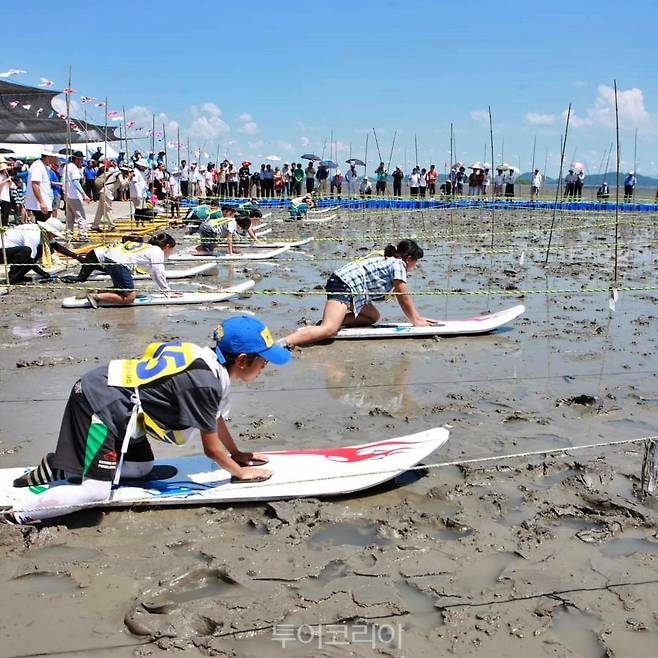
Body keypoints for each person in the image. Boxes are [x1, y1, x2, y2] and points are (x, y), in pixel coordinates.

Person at [2, 315, 291, 524]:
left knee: (142, 469)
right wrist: (240, 474)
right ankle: (18, 514)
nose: (265, 366)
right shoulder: (205, 382)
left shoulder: (211, 365)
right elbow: (211, 448)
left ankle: (61, 466)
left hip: (125, 409)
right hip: (99, 403)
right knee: (95, 492)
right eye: (263, 360)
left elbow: (215, 419)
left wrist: (238, 454)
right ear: (242, 360)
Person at [283, 239, 437, 348]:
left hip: (353, 290)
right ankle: (282, 343)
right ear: (409, 259)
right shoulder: (398, 264)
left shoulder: (391, 261)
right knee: (329, 330)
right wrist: (416, 320)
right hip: (344, 284)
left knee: (372, 316)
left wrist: (417, 318)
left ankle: (328, 322)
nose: (415, 266)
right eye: (416, 261)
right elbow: (403, 296)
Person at [85, 232, 178, 308]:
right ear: (167, 246)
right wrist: (168, 292)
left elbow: (153, 273)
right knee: (130, 298)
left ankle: (97, 292)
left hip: (109, 258)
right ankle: (96, 296)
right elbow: (158, 272)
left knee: (124, 290)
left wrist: (165, 290)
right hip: (118, 262)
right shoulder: (157, 251)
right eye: (172, 249)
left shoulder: (147, 247)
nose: (171, 252)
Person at [0, 218, 82, 284]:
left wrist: (77, 257)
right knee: (27, 251)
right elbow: (30, 260)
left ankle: (17, 275)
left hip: (12, 252)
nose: (54, 237)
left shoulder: (43, 233)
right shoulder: (34, 234)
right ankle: (13, 278)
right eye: (54, 235)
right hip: (2, 252)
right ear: (48, 230)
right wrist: (44, 274)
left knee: (43, 250)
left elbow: (57, 247)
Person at [193, 211, 258, 256]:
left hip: (206, 226)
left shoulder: (233, 220)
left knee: (213, 245)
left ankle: (195, 249)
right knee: (209, 252)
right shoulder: (233, 224)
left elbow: (231, 238)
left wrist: (232, 250)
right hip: (208, 228)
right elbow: (229, 239)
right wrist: (231, 253)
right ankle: (193, 253)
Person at [91, 163, 130, 231]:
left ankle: (95, 225)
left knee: (100, 210)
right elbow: (123, 184)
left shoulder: (118, 174)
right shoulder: (119, 174)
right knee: (108, 209)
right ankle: (111, 226)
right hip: (107, 192)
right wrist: (128, 179)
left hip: (105, 191)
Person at [64, 151, 92, 239]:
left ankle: (69, 234)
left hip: (67, 194)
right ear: (76, 159)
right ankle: (82, 234)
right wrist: (84, 194)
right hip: (74, 195)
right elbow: (75, 181)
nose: (81, 162)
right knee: (81, 216)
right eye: (80, 160)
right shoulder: (74, 168)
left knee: (70, 216)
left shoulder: (66, 166)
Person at [24, 148, 58, 221]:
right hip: (39, 205)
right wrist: (41, 202)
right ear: (49, 157)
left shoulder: (45, 167)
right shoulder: (38, 166)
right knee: (43, 226)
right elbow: (35, 184)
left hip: (45, 202)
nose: (56, 159)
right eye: (55, 157)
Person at [0, 161, 13, 226]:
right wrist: (5, 180)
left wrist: (10, 181)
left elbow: (11, 186)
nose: (6, 170)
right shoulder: (0, 176)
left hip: (7, 196)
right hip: (2, 196)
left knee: (7, 212)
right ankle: (4, 225)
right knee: (4, 213)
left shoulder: (6, 176)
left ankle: (6, 224)